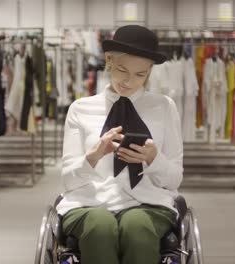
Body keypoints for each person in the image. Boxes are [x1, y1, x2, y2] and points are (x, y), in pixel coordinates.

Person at [56, 25, 184, 264]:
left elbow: (174, 179)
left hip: (149, 202)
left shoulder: (164, 107)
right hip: (89, 202)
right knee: (100, 227)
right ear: (109, 59)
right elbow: (67, 180)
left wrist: (154, 159)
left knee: (137, 227)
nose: (128, 82)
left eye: (140, 74)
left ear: (149, 72)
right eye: (122, 70)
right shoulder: (81, 109)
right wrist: (92, 157)